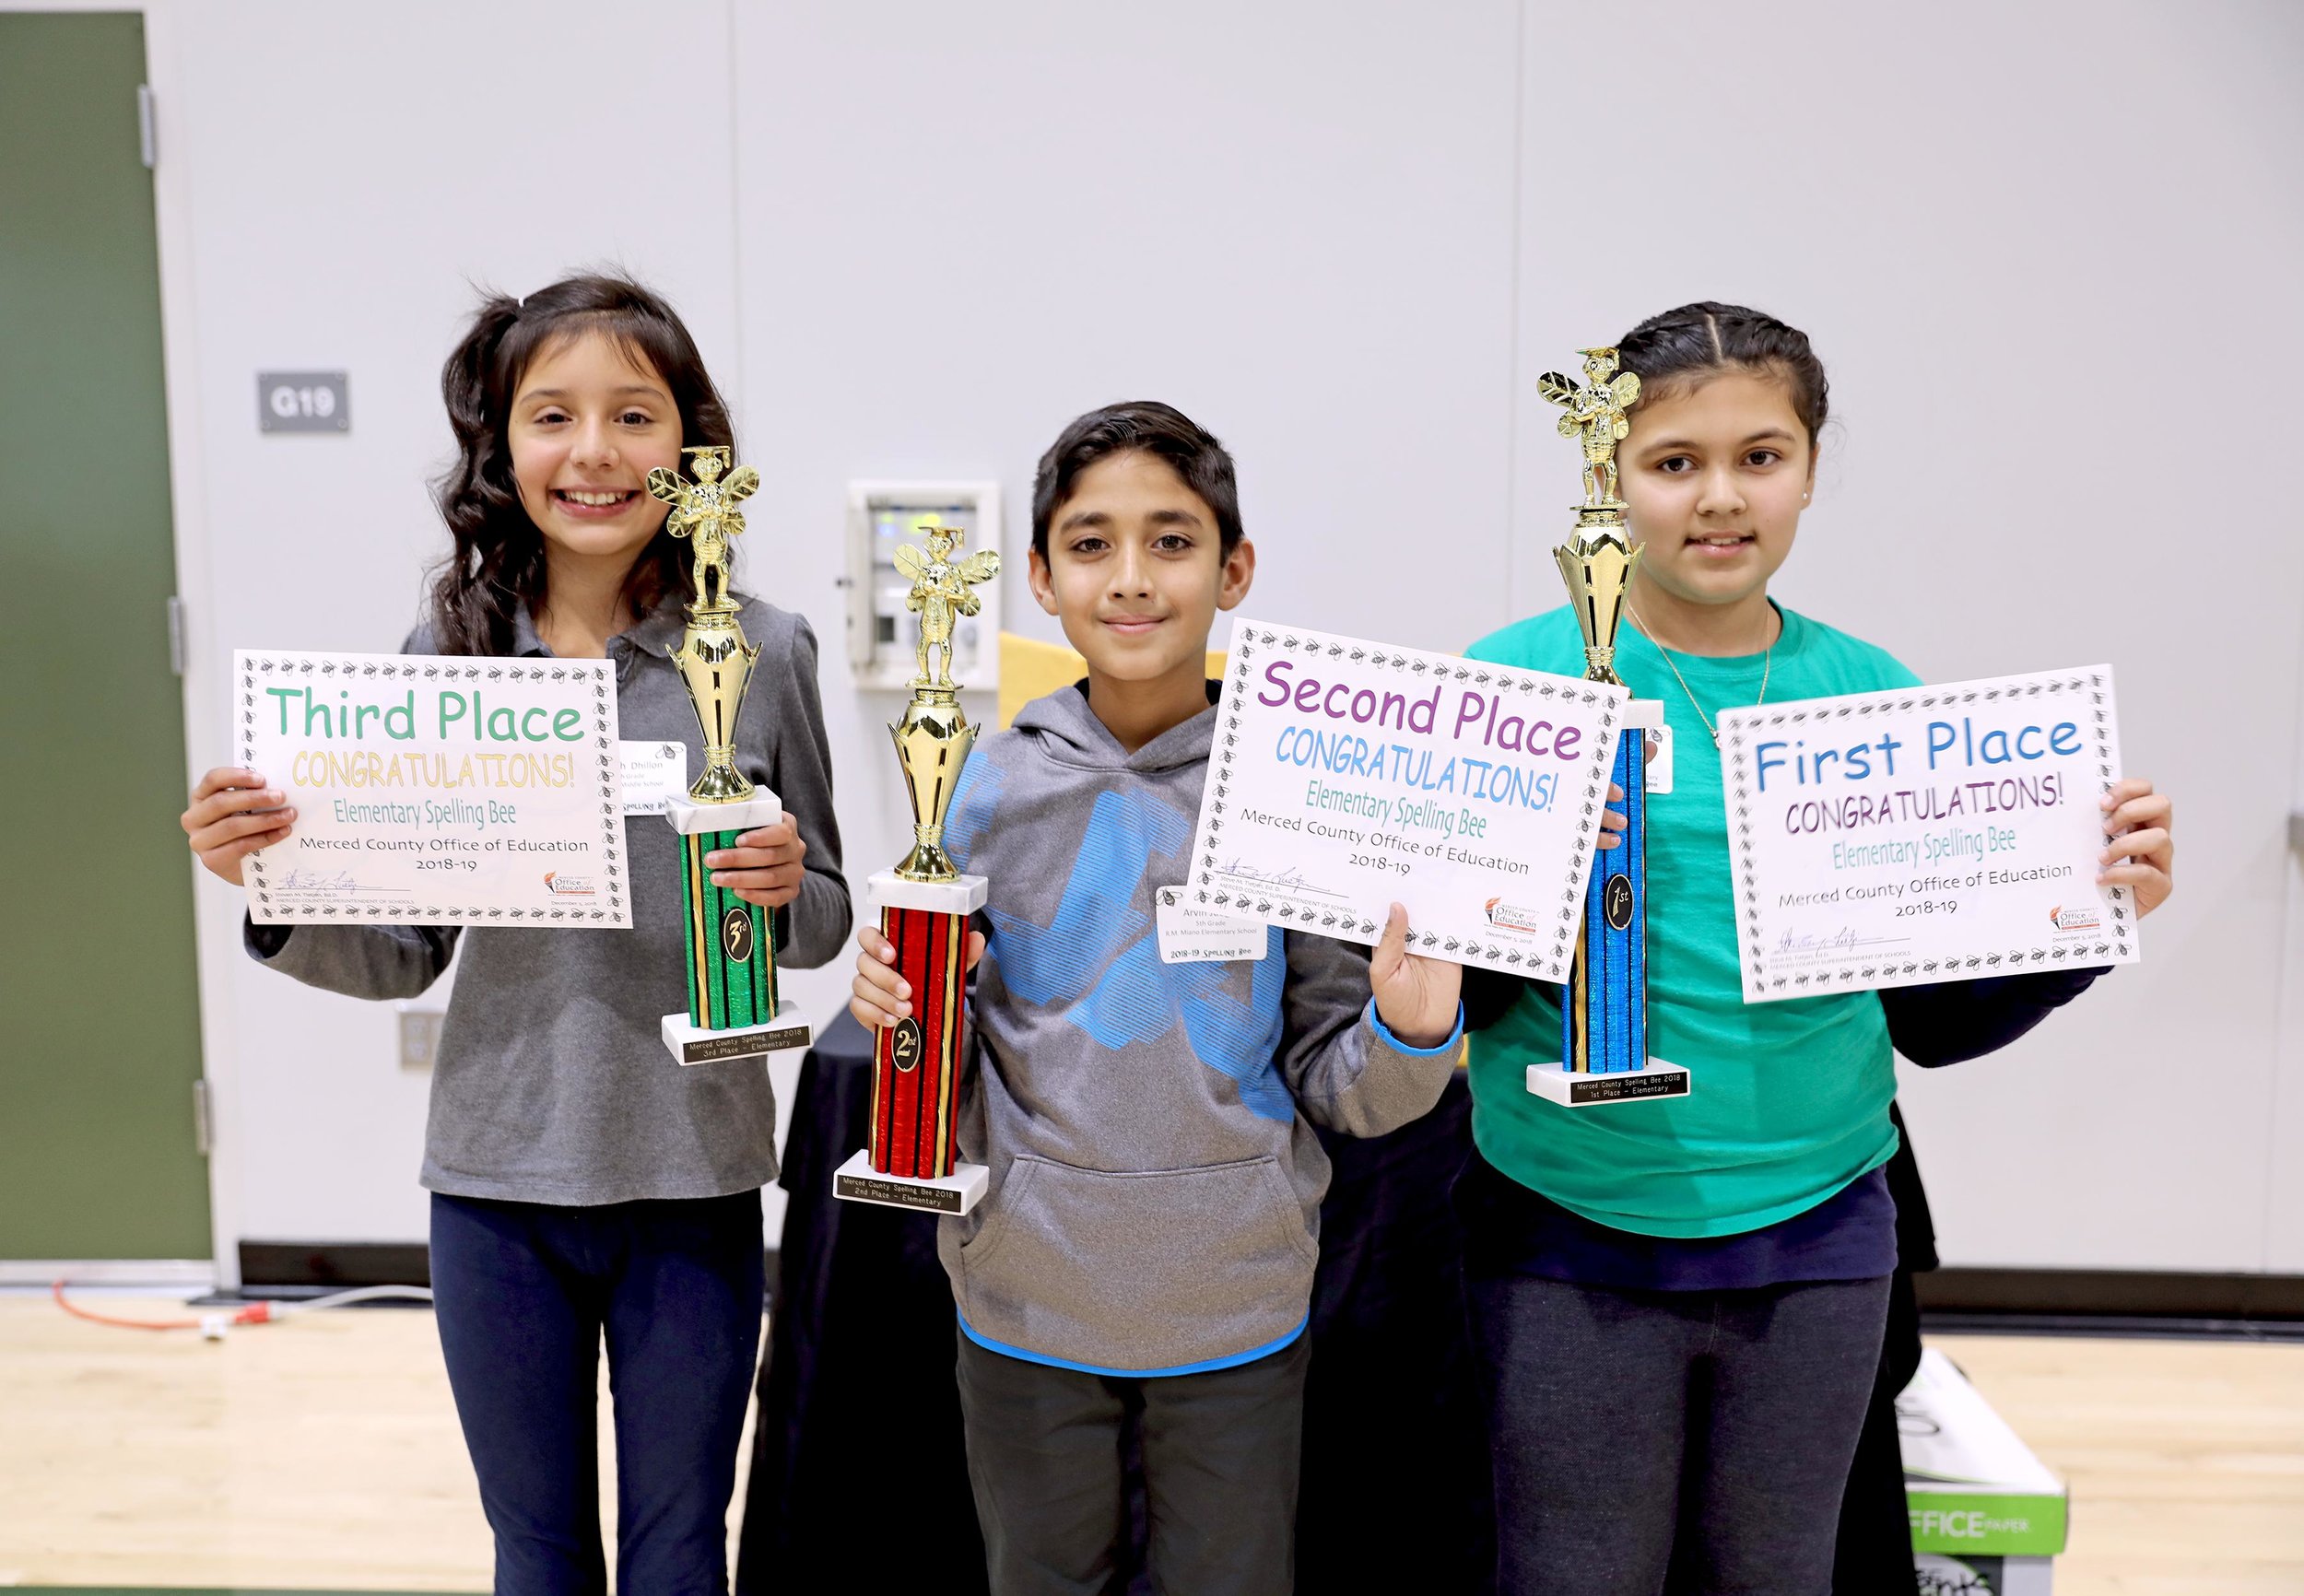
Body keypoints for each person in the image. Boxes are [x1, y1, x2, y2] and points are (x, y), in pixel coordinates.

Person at [1456, 302, 2176, 1596]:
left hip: (1821, 1234)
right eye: (1674, 462)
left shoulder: (1875, 697)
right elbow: (1463, 990)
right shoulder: (1511, 684)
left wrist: (2088, 915)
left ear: (1811, 465)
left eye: (1761, 456)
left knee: (1782, 1575)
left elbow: (1934, 1024)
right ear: (1608, 475)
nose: (1719, 499)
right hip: (1566, 1232)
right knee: (1572, 1576)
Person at [179, 273, 850, 1593]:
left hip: (696, 1178)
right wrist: (273, 883)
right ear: (503, 447)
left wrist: (785, 885)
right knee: (535, 1554)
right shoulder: (448, 654)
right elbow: (404, 951)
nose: (593, 452)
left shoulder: (764, 649)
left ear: (692, 446)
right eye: (552, 416)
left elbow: (822, 918)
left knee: (676, 1555)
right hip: (496, 1182)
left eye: (634, 417)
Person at [848, 400, 1463, 1596]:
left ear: (1234, 570)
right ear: (1039, 576)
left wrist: (1414, 1028)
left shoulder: (1296, 795)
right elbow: (948, 1069)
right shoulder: (979, 788)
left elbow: (1348, 1089)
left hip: (1236, 1297)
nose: (1131, 578)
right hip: (1029, 1292)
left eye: (1172, 541)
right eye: (1091, 543)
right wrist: (905, 1009)